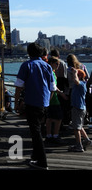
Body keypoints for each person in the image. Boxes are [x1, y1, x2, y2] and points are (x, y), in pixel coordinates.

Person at [14, 42, 56, 170]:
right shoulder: (47, 66)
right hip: (44, 103)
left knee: (35, 132)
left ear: (29, 53)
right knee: (37, 129)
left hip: (32, 102)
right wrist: (48, 100)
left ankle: (42, 162)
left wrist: (16, 103)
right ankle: (35, 156)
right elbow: (52, 88)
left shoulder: (27, 65)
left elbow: (19, 86)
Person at [68, 69, 92, 152]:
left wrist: (75, 73)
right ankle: (86, 140)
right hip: (81, 108)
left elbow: (76, 80)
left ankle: (79, 146)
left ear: (80, 76)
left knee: (76, 128)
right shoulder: (82, 84)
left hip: (77, 107)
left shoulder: (81, 84)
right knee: (79, 126)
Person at [45, 57, 67, 145]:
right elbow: (53, 88)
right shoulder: (52, 73)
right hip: (53, 99)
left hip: (48, 98)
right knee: (59, 118)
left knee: (49, 118)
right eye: (56, 64)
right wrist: (61, 94)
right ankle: (55, 135)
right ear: (51, 63)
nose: (58, 65)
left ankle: (49, 135)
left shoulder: (49, 72)